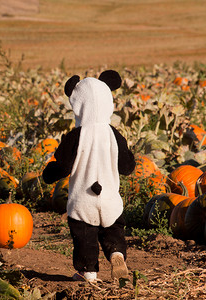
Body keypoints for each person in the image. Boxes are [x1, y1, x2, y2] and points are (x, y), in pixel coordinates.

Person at [42, 70, 136, 282]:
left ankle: (89, 272)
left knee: (84, 235)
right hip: (110, 197)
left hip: (83, 199)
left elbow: (63, 165)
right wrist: (131, 160)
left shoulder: (76, 135)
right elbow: (126, 166)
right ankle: (116, 253)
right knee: (113, 229)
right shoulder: (114, 134)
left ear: (77, 104)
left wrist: (48, 174)